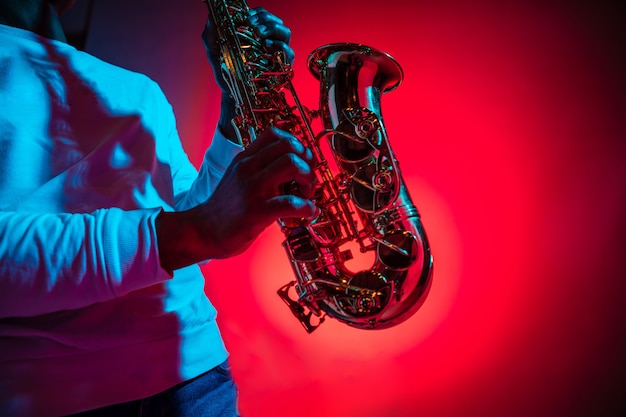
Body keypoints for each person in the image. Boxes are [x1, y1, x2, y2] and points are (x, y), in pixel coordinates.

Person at [0, 0, 317, 416]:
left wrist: (237, 104)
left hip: (196, 377)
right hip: (55, 395)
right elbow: (186, 230)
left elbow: (183, 223)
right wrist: (195, 230)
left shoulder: (140, 89)